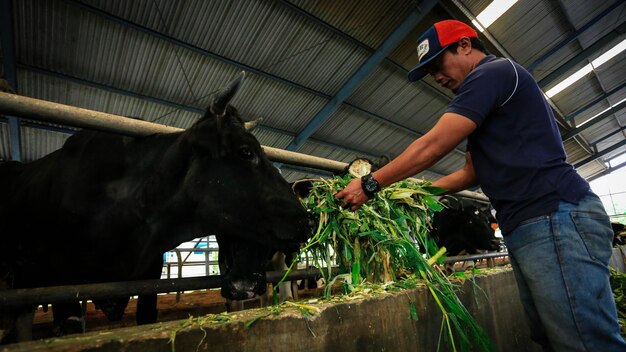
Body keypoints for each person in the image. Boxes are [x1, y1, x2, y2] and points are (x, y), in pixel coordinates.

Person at [335, 19, 626, 352]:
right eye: (430, 72)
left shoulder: (493, 73)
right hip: (529, 223)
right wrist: (413, 196)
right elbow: (470, 173)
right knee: (550, 336)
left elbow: (434, 145)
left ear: (464, 45)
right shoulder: (489, 101)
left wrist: (372, 184)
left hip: (552, 214)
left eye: (438, 64)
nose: (437, 77)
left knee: (584, 342)